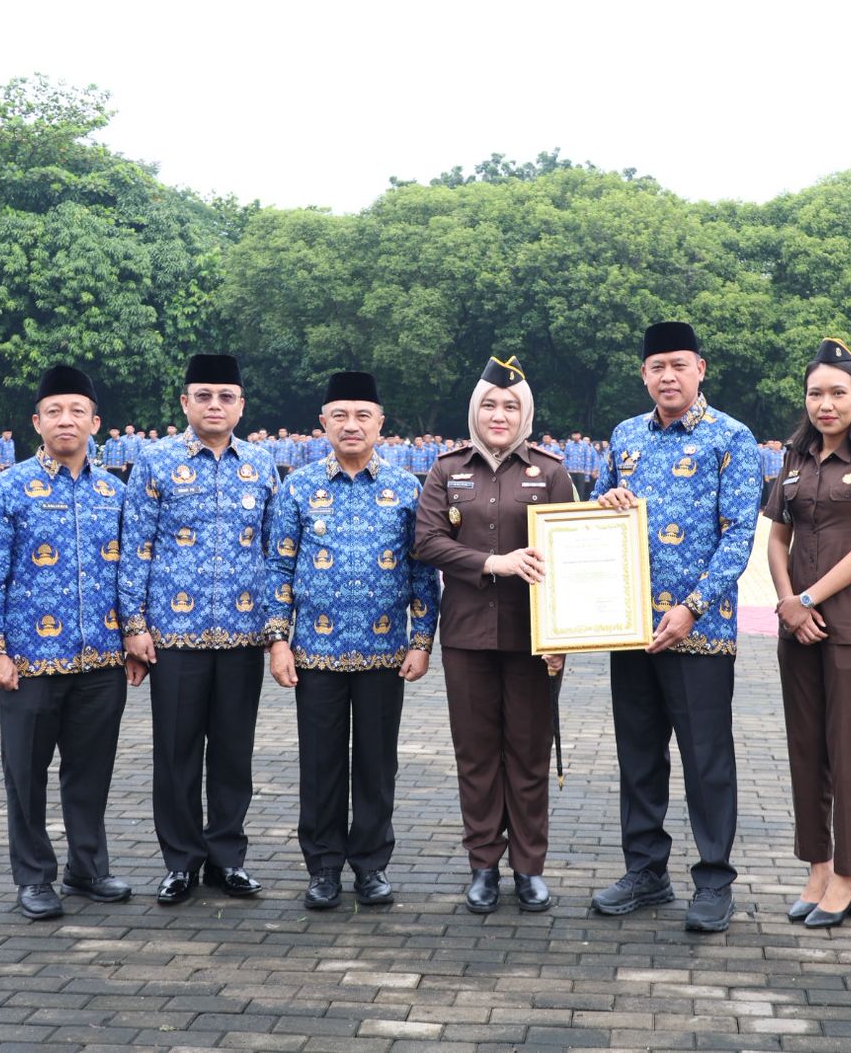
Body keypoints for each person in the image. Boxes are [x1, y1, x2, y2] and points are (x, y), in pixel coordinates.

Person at [588, 321, 762, 933]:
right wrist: (604, 501)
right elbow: (598, 514)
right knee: (639, 756)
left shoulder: (731, 438)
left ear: (701, 370)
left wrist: (691, 605)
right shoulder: (625, 435)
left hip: (700, 629)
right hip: (630, 624)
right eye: (657, 366)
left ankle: (713, 879)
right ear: (644, 374)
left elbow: (740, 532)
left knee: (706, 757)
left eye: (679, 365)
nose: (668, 376)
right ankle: (646, 871)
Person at [0, 365, 145, 920]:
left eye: (76, 412)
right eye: (53, 412)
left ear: (96, 422)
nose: (65, 420)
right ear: (36, 422)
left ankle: (87, 867)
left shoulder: (115, 491)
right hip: (28, 660)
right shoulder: (10, 487)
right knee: (26, 774)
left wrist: (133, 638)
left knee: (90, 771)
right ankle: (34, 876)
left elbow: (130, 575)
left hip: (100, 659)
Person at [263, 371, 439, 909]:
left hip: (386, 652)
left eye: (363, 415)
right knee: (320, 763)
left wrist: (422, 640)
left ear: (380, 424)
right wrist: (277, 640)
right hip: (316, 652)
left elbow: (422, 572)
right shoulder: (298, 487)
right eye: (340, 415)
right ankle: (322, 866)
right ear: (323, 423)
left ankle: (370, 865)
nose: (351, 425)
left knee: (376, 762)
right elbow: (279, 568)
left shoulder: (407, 489)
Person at [414, 357, 575, 913]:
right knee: (477, 753)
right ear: (475, 411)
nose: (499, 414)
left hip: (536, 636)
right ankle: (483, 863)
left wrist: (565, 637)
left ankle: (529, 867)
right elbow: (427, 542)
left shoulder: (551, 471)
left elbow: (570, 554)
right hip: (467, 634)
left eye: (510, 405)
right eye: (489, 404)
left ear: (525, 412)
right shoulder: (445, 469)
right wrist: (493, 563)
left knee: (528, 754)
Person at [120, 354, 280, 906]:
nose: (215, 405)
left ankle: (227, 858)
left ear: (241, 405)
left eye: (226, 396)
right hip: (174, 639)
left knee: (235, 754)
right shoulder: (155, 461)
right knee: (177, 753)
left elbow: (274, 551)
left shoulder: (261, 465)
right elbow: (136, 549)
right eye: (204, 395)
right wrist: (134, 627)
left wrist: (277, 627)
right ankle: (181, 862)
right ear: (185, 402)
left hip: (242, 635)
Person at [764, 338, 851, 928]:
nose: (825, 404)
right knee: (806, 750)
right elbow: (776, 535)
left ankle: (849, 874)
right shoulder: (794, 458)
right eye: (816, 393)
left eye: (838, 393)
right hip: (797, 626)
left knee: (848, 752)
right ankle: (817, 866)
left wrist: (808, 599)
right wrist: (786, 602)